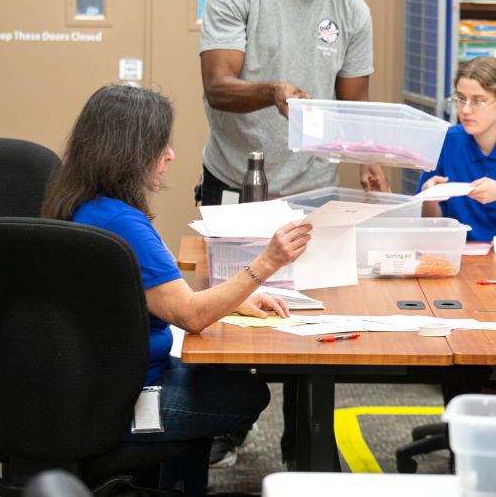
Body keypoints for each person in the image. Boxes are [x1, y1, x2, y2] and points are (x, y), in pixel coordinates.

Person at [41, 84, 313, 489]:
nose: (170, 154)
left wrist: (236, 298)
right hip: (123, 396)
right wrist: (267, 262)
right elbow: (190, 315)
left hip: (88, 379)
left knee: (206, 371)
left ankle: (164, 484)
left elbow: (163, 300)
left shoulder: (79, 203)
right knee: (243, 395)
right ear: (127, 152)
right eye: (160, 145)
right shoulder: (123, 223)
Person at [198, 0, 388, 206]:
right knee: (238, 262)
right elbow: (218, 88)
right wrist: (272, 91)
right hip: (235, 181)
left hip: (313, 189)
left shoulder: (352, 8)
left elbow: (354, 103)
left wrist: (367, 155)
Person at [419, 56, 496, 241]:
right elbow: (431, 224)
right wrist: (430, 198)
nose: (466, 110)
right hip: (460, 255)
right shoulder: (447, 141)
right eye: (461, 99)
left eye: (478, 101)